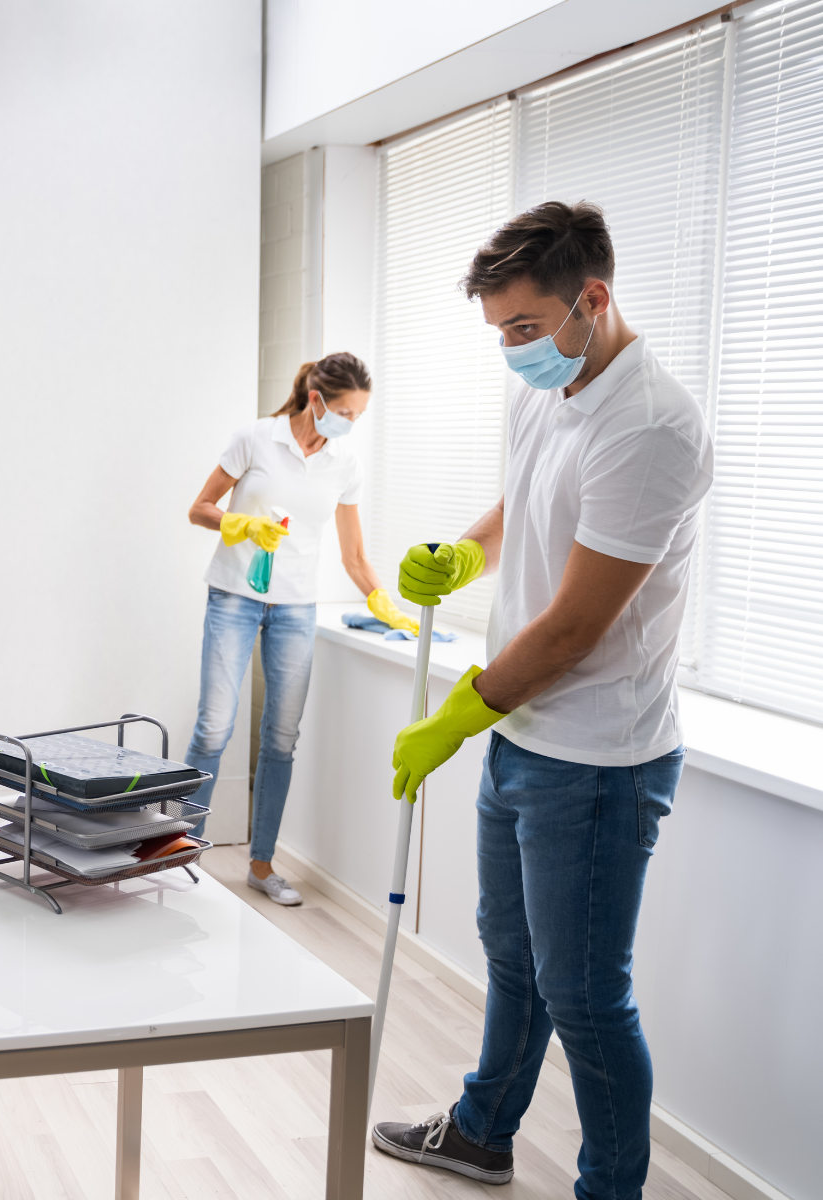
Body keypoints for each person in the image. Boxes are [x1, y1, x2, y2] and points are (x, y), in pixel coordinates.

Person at [372, 202, 712, 1198]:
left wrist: (455, 715)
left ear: (590, 300)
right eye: (499, 332)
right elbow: (527, 499)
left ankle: (610, 1188)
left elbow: (573, 631)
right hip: (523, 733)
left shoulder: (652, 426)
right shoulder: (547, 385)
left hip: (599, 759)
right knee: (512, 957)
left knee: (586, 998)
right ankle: (481, 1133)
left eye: (523, 328)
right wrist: (461, 555)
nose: (511, 350)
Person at [185, 352, 419, 906]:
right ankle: (180, 851)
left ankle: (262, 864)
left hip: (296, 609)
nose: (350, 424)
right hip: (235, 598)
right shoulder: (256, 439)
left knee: (281, 740)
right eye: (345, 412)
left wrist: (384, 602)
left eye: (358, 416)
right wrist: (238, 523)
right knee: (213, 730)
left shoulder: (344, 464)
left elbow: (354, 554)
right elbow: (199, 508)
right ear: (316, 400)